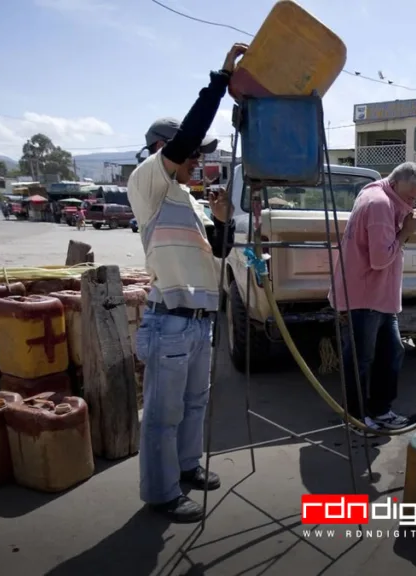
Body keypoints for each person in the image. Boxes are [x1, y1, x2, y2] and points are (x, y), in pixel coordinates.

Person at [127, 42, 248, 523]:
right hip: (170, 322)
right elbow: (187, 136)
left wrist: (220, 220)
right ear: (164, 151)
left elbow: (217, 254)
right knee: (163, 414)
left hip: (200, 321)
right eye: (193, 153)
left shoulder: (189, 199)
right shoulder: (149, 184)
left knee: (195, 403)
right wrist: (221, 79)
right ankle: (160, 493)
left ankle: (185, 468)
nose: (198, 159)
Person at [330, 162, 416, 434]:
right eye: (409, 196)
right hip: (366, 297)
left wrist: (413, 211)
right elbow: (381, 259)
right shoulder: (379, 205)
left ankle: (380, 410)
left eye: (415, 199)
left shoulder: (379, 195)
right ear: (396, 183)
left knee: (391, 352)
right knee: (361, 360)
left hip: (377, 297)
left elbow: (397, 211)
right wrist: (406, 233)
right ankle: (355, 417)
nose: (410, 202)